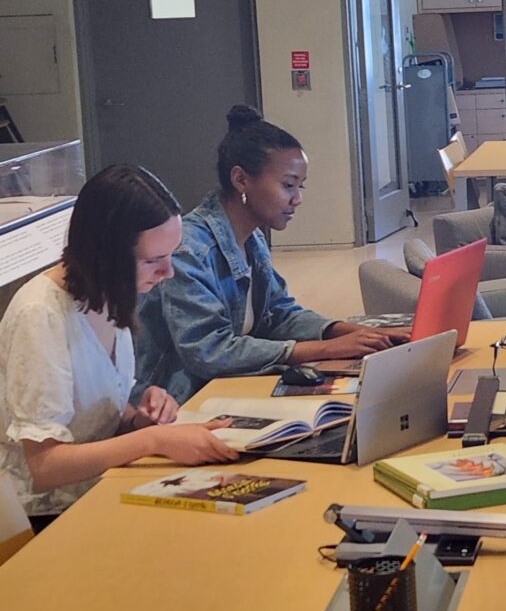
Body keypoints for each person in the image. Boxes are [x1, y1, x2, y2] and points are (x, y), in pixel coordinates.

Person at [0, 165, 238, 528]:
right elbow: (45, 467)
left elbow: (98, 417)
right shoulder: (40, 313)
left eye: (170, 255)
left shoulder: (108, 291)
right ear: (106, 254)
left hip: (100, 485)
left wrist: (140, 417)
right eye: (153, 260)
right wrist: (153, 439)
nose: (168, 273)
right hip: (46, 513)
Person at [135, 105, 409, 403]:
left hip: (227, 389)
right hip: (180, 404)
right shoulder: (188, 249)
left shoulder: (251, 237)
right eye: (288, 185)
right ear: (241, 180)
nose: (297, 199)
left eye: (300, 186)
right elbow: (209, 351)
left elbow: (277, 314)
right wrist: (329, 349)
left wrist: (354, 333)